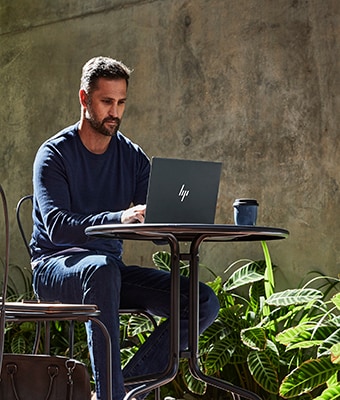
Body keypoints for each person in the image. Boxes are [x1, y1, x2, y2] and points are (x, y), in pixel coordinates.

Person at [30, 56, 220, 400]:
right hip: (55, 269)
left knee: (202, 300)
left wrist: (173, 216)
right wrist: (118, 217)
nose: (114, 112)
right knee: (101, 270)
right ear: (84, 99)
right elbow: (57, 227)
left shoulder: (132, 156)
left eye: (121, 103)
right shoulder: (54, 154)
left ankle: (122, 390)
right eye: (106, 102)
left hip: (109, 272)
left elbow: (152, 221)